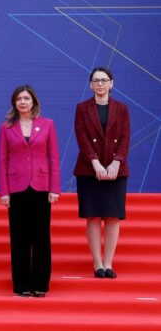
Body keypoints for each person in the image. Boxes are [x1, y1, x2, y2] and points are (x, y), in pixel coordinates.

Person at [0, 84, 60, 298]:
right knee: (19, 237)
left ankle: (41, 283)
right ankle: (22, 283)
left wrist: (55, 188)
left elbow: (54, 158)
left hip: (41, 186)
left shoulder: (47, 125)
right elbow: (2, 160)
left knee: (41, 236)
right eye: (19, 99)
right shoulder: (6, 128)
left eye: (26, 98)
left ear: (33, 101)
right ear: (14, 103)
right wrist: (3, 192)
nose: (23, 102)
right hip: (16, 188)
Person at [72, 67, 130, 279]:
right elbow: (82, 137)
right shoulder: (82, 108)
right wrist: (95, 164)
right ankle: (97, 263)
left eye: (104, 80)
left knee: (113, 217)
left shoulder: (122, 109)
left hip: (117, 169)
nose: (100, 84)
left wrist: (116, 162)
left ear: (111, 84)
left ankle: (108, 262)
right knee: (94, 216)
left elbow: (125, 138)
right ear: (90, 85)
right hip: (89, 169)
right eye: (96, 80)